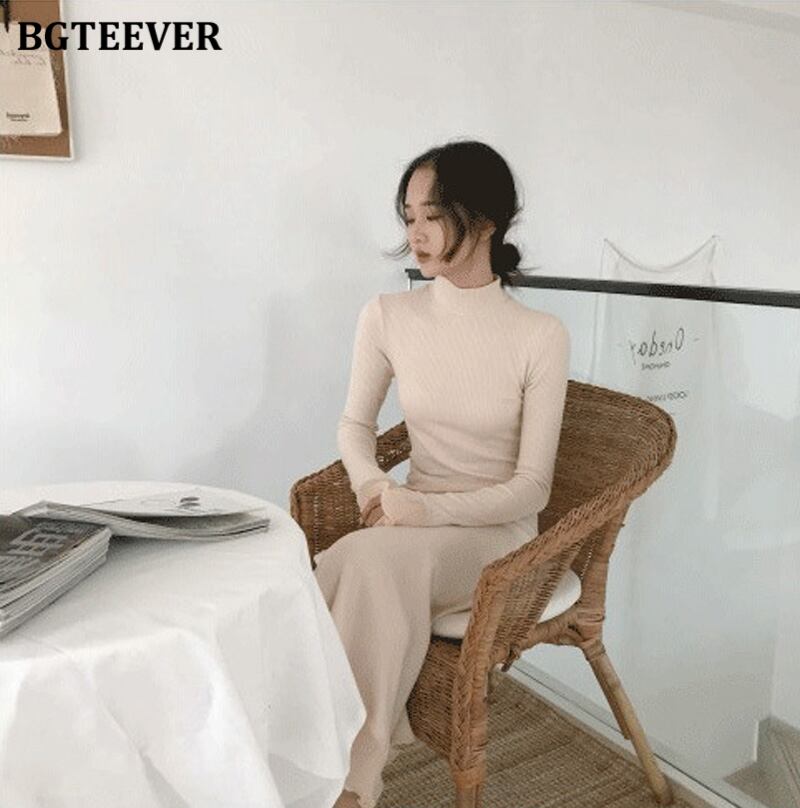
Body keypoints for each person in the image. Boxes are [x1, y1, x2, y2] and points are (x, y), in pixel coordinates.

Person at [314, 139, 571, 808]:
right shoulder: (388, 315)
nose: (416, 233)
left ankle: (348, 782)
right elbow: (355, 426)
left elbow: (533, 487)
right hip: (409, 521)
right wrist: (376, 487)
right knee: (351, 561)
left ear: (483, 220)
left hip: (497, 536)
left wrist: (423, 511)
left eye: (432, 215)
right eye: (409, 217)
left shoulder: (540, 334)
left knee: (363, 561)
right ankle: (325, 764)